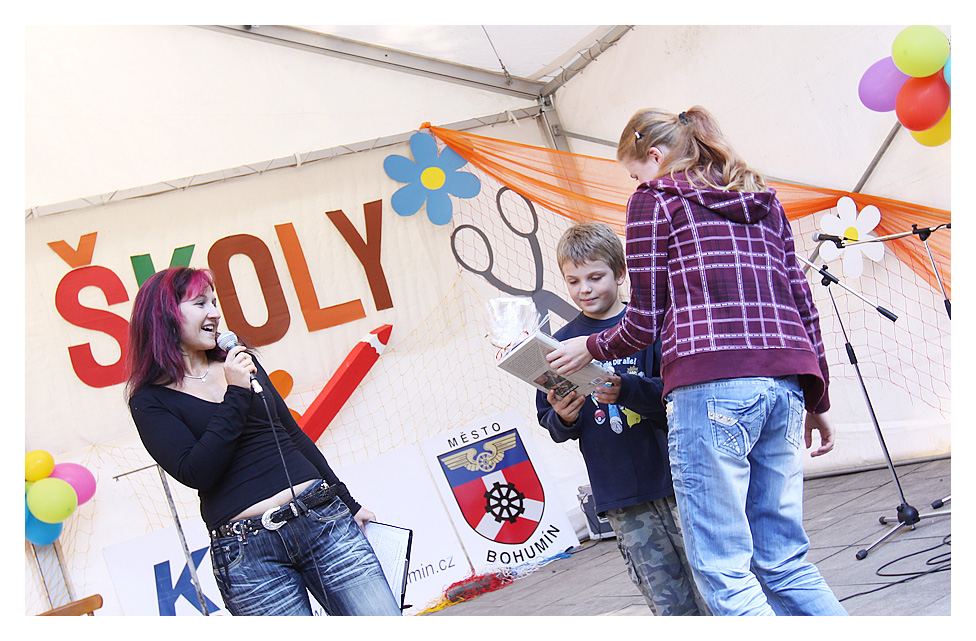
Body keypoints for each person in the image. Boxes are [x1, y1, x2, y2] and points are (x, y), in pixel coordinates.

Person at [546, 107, 847, 616]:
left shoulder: (655, 199)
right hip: (786, 384)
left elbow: (645, 320)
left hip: (711, 388)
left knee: (725, 573)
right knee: (784, 563)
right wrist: (817, 399)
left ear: (654, 156)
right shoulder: (762, 197)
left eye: (635, 173)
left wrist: (589, 347)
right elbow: (803, 304)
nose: (637, 184)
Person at [125, 267, 401, 616]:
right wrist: (236, 393)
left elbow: (293, 435)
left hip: (322, 520)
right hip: (248, 554)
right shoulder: (150, 401)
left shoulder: (242, 363)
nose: (214, 313)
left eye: (214, 303)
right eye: (200, 303)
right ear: (163, 314)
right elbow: (197, 472)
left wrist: (347, 503)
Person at [537, 222, 709, 616]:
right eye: (574, 281)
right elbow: (551, 420)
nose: (585, 289)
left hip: (677, 478)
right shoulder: (559, 344)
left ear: (619, 273)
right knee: (666, 600)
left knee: (714, 581)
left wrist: (628, 389)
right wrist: (563, 417)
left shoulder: (650, 326)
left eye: (595, 277)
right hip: (620, 492)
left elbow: (680, 394)